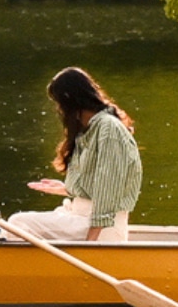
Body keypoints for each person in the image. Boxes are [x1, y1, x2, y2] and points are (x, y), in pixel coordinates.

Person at [9, 67, 144, 244]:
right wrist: (68, 188)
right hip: (81, 218)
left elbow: (109, 190)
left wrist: (91, 242)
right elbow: (96, 186)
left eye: (59, 104)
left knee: (16, 223)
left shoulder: (108, 129)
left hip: (100, 228)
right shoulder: (88, 129)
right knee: (21, 224)